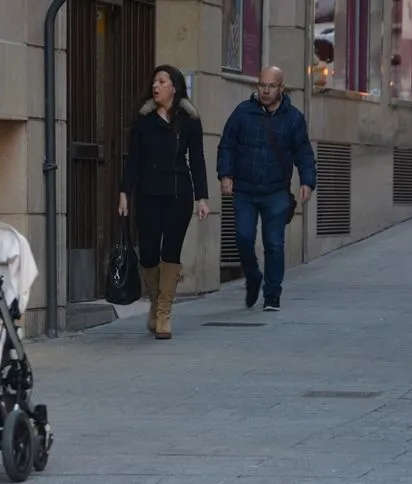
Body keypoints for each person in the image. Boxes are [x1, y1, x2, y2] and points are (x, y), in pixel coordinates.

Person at [118, 64, 209, 340]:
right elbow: (133, 158)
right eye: (154, 81)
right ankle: (156, 302)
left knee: (171, 252)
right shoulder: (144, 120)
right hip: (148, 193)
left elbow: (198, 159)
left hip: (179, 194)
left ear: (174, 87)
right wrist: (125, 192)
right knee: (148, 253)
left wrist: (202, 197)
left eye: (162, 81)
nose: (155, 86)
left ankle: (164, 312)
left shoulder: (190, 120)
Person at [216, 66, 316, 312]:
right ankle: (252, 276)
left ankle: (272, 294)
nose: (266, 90)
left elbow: (304, 152)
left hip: (276, 192)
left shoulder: (293, 118)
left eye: (271, 86)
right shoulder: (242, 112)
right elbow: (226, 144)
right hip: (245, 191)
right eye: (262, 85)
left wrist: (307, 181)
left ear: (281, 88)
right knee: (243, 237)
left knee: (274, 244)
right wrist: (225, 174)